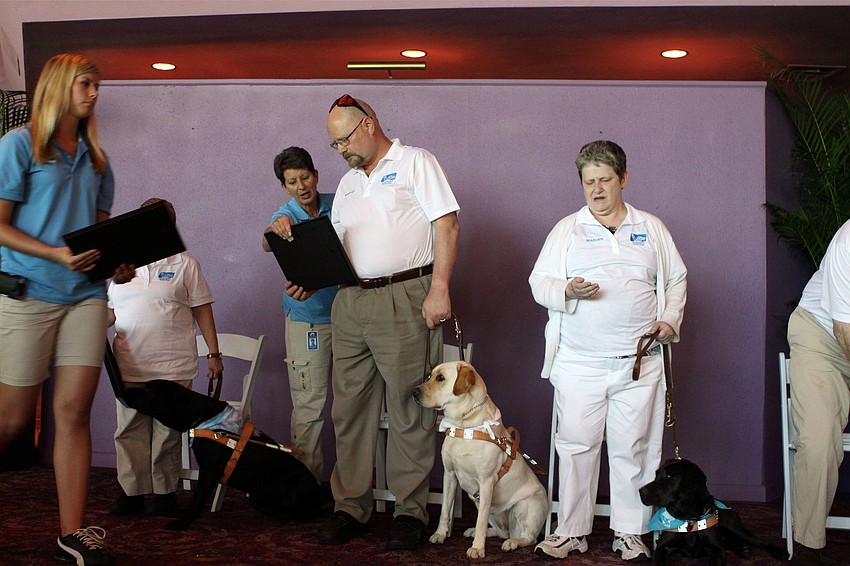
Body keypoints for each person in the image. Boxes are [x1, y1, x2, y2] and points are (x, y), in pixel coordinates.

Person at [295, 94, 460, 551]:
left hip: (405, 295)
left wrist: (439, 288)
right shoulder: (348, 184)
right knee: (348, 411)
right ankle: (350, 506)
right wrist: (311, 277)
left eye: (344, 139)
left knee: (409, 407)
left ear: (368, 124)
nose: (341, 150)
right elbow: (342, 246)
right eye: (333, 145)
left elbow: (446, 224)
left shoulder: (415, 162)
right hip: (349, 300)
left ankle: (410, 511)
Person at [0, 53, 134, 566]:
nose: (95, 92)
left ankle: (73, 534)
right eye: (86, 83)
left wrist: (115, 267)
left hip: (85, 297)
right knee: (11, 423)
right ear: (60, 85)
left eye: (97, 84)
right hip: (29, 293)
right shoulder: (19, 146)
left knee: (73, 413)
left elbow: (95, 238)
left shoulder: (98, 161)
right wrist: (53, 252)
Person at [529, 140, 687, 561]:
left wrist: (670, 320)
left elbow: (676, 280)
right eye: (588, 182)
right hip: (579, 362)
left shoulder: (651, 227)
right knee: (576, 445)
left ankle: (630, 532)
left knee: (633, 448)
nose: (596, 190)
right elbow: (539, 282)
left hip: (640, 362)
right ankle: (571, 531)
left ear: (624, 179)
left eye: (604, 180)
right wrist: (568, 288)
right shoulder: (567, 229)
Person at [107, 198, 222, 517]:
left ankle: (164, 492)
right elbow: (110, 312)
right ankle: (132, 492)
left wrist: (214, 353)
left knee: (166, 434)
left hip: (173, 366)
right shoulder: (120, 268)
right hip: (129, 366)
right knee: (129, 431)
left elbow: (202, 309)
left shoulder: (186, 264)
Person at [262, 146, 336, 482]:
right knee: (309, 407)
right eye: (292, 181)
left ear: (315, 175)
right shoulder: (286, 213)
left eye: (305, 177)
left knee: (352, 409)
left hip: (349, 317)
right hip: (307, 320)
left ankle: (350, 489)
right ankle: (307, 484)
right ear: (284, 186)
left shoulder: (339, 202)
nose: (301, 186)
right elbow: (267, 242)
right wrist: (278, 227)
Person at [786, 218, 850, 566]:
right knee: (820, 435)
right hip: (825, 338)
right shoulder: (847, 243)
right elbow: (845, 329)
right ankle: (808, 548)